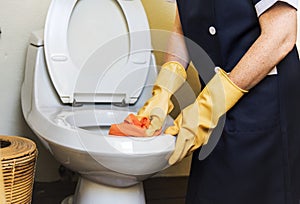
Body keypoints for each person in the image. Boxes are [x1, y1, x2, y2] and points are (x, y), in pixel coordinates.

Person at [136, 0, 300, 203]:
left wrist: (210, 105)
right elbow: (182, 27)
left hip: (264, 102)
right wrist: (165, 88)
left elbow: (281, 35)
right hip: (214, 100)